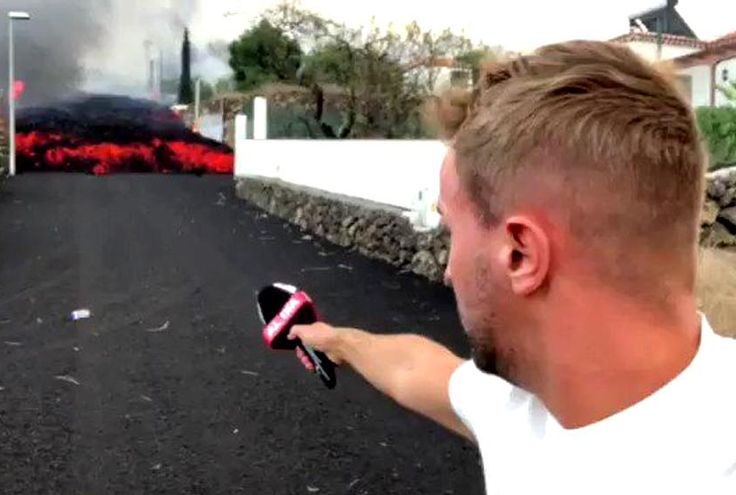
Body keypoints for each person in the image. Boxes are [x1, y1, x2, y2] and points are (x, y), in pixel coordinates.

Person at [289, 40, 736, 495]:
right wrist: (338, 342)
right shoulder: (524, 404)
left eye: (452, 233)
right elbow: (418, 369)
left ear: (520, 254)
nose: (448, 271)